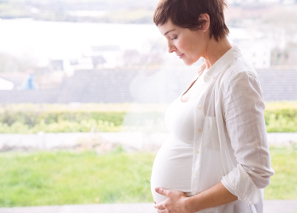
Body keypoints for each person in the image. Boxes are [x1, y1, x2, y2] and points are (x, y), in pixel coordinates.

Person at [150, 0, 275, 212]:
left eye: (174, 36)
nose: (170, 48)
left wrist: (187, 205)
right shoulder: (209, 69)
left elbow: (256, 171)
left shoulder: (238, 78)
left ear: (202, 22)